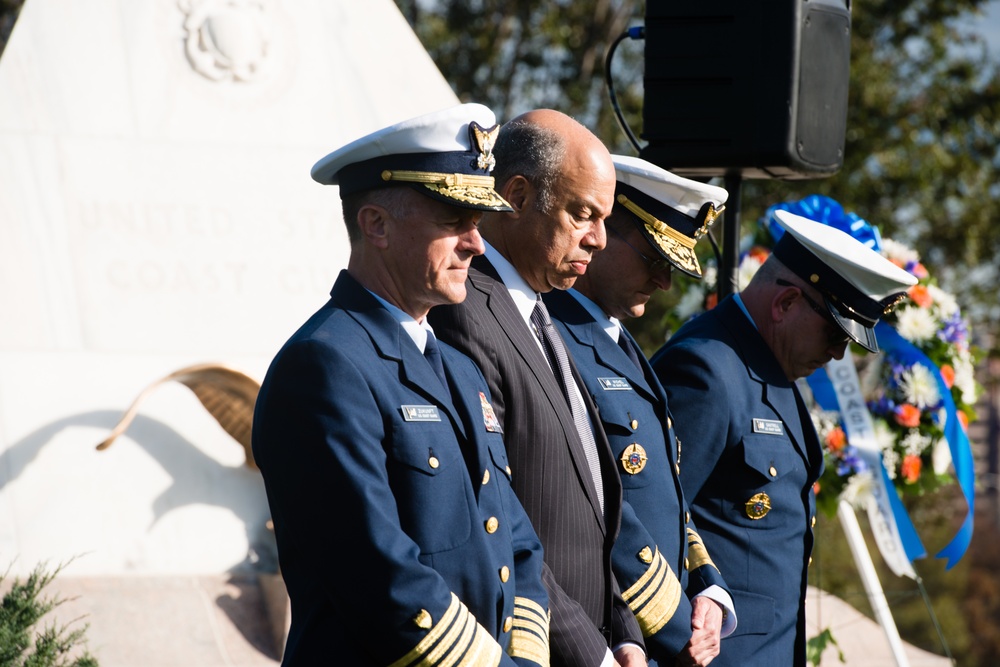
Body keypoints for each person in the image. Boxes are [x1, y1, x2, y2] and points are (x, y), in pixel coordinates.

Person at [251, 103, 550, 667]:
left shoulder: (457, 367)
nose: (476, 244)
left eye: (476, 222)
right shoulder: (324, 367)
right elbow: (382, 579)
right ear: (376, 224)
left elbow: (518, 543)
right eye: (452, 221)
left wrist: (527, 660)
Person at [650, 209, 918, 666]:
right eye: (835, 332)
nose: (837, 354)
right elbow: (652, 521)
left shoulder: (766, 365)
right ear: (786, 303)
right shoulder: (708, 370)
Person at [429, 110, 647, 667]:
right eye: (582, 214)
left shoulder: (539, 313)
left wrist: (623, 630)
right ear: (519, 196)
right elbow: (502, 511)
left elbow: (595, 505)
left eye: (603, 219)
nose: (598, 239)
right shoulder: (468, 314)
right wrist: (587, 649)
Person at [543, 155, 736, 667]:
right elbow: (597, 504)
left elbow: (665, 490)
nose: (665, 283)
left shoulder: (618, 341)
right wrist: (675, 623)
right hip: (606, 636)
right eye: (654, 259)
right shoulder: (553, 340)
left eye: (672, 267)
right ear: (602, 231)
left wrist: (707, 586)